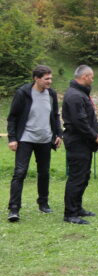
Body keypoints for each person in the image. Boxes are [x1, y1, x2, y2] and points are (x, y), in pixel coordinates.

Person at [7, 65, 62, 222]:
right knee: (20, 172)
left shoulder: (51, 94)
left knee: (44, 173)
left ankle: (43, 203)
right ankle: (14, 208)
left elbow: (55, 115)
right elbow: (13, 117)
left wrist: (58, 134)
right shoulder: (23, 93)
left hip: (45, 139)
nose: (50, 81)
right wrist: (12, 138)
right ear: (36, 79)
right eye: (47, 79)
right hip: (25, 139)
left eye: (51, 78)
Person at [61, 65, 98, 225]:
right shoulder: (75, 96)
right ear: (85, 77)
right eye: (91, 77)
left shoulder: (80, 94)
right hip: (78, 141)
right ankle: (70, 213)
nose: (92, 80)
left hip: (83, 142)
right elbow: (80, 122)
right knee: (77, 177)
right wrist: (95, 136)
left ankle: (77, 208)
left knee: (84, 176)